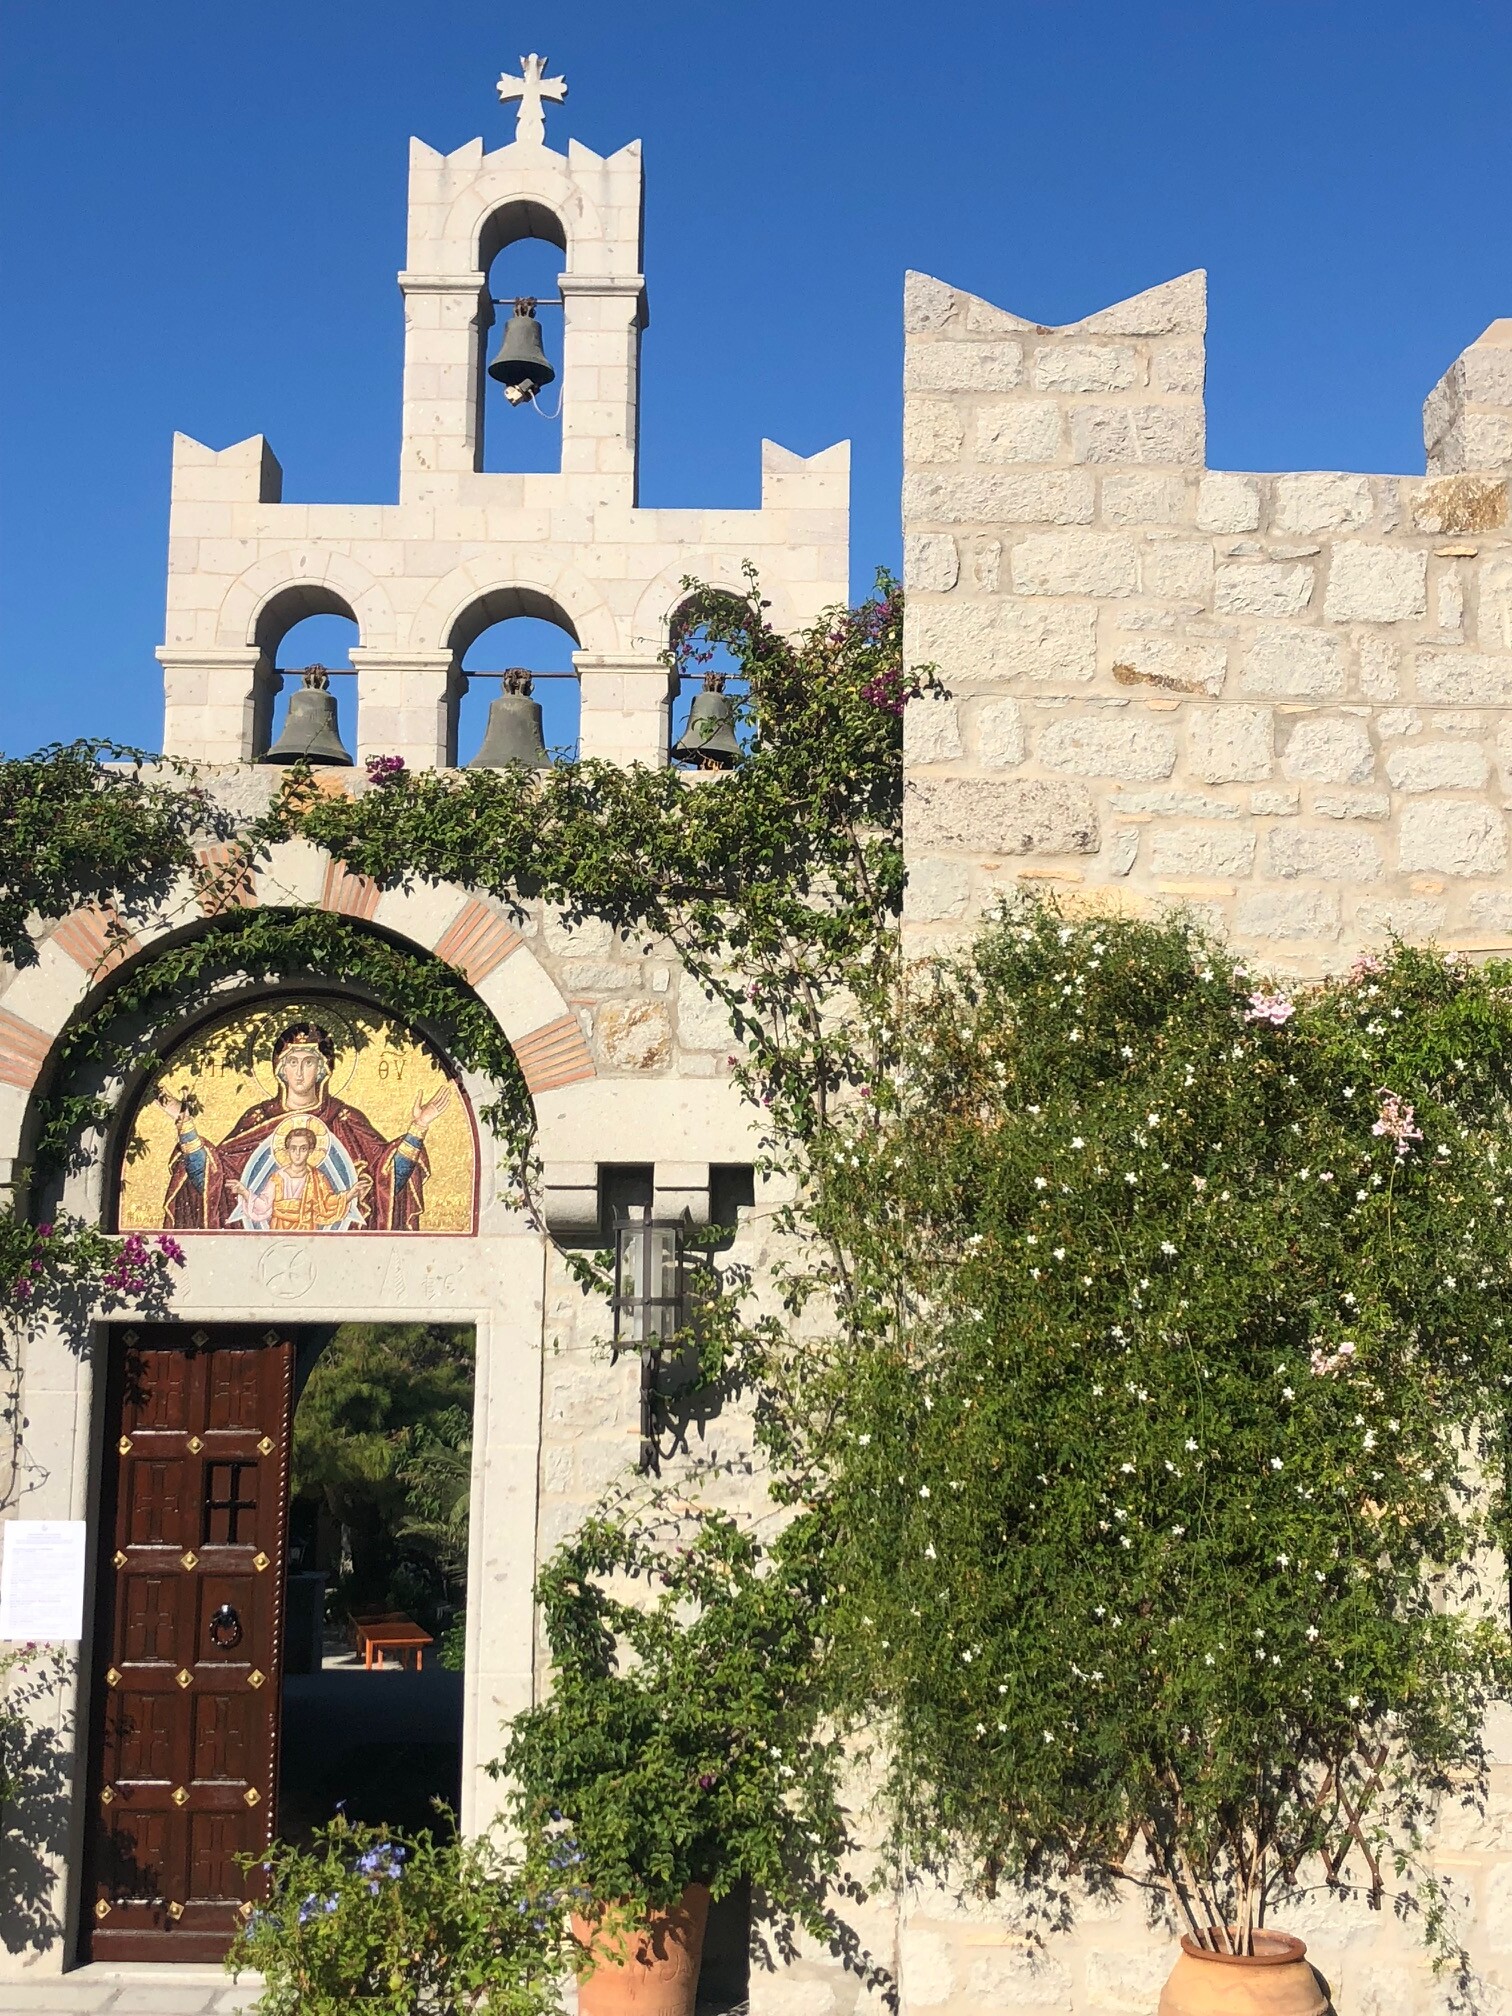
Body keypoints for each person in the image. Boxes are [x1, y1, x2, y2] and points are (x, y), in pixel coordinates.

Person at [158, 1018, 453, 1232]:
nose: (299, 1072)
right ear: (280, 1070)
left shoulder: (345, 1119)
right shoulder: (257, 1119)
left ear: (323, 1068)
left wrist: (418, 1127)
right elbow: (212, 1181)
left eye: (308, 1062)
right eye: (292, 1062)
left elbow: (386, 1179)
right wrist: (185, 1126)